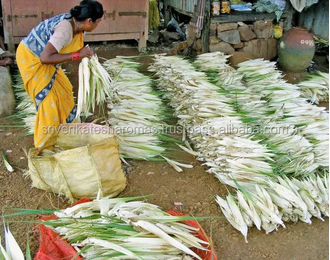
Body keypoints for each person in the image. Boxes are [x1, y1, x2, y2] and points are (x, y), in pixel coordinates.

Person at [16, 0, 103, 147]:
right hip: (32, 60)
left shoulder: (76, 25)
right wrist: (77, 55)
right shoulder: (65, 30)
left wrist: (83, 55)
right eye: (98, 22)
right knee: (48, 103)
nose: (97, 25)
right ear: (89, 21)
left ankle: (66, 130)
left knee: (64, 91)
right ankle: (44, 147)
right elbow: (45, 58)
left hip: (45, 59)